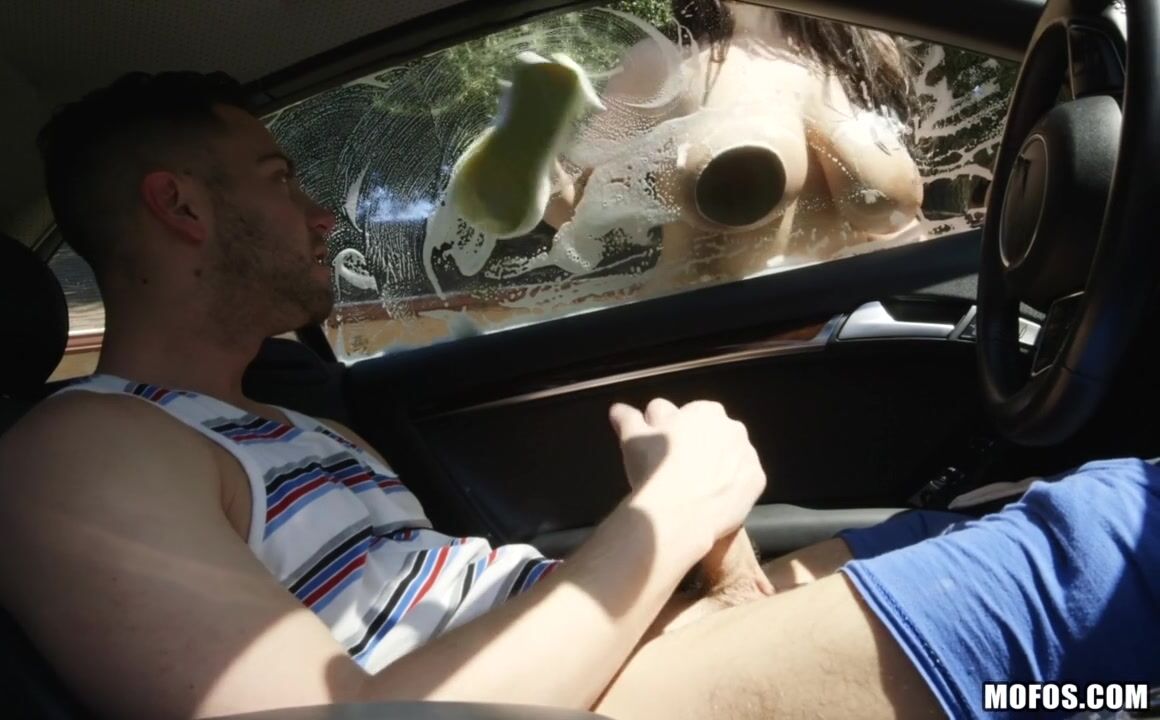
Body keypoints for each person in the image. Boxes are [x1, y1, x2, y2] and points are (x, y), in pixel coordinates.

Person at [0, 69, 1154, 720]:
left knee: (1011, 525)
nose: (323, 213)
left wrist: (704, 561)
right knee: (1118, 538)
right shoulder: (85, 447)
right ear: (181, 209)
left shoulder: (292, 421)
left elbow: (444, 625)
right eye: (279, 178)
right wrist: (664, 518)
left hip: (614, 661)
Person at [544, 1, 924, 295]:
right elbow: (575, 213)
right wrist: (537, 146)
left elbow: (901, 224)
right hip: (715, 341)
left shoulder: (862, 45)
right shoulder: (663, 62)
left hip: (863, 329)